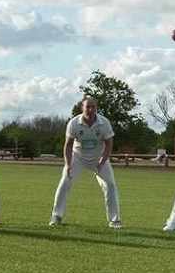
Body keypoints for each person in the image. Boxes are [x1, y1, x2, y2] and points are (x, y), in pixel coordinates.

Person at [50, 96, 122, 228]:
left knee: (110, 186)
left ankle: (115, 220)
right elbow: (67, 146)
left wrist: (102, 161)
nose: (90, 109)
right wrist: (67, 165)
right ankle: (56, 217)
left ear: (96, 108)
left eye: (93, 107)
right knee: (65, 182)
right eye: (87, 107)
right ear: (82, 108)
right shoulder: (73, 123)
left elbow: (109, 144)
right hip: (77, 157)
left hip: (98, 158)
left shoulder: (104, 123)